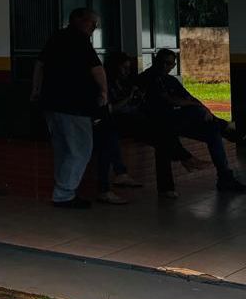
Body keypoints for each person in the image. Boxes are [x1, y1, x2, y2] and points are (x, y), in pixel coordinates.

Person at [138, 48, 246, 196]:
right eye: (164, 63)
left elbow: (189, 98)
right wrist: (196, 107)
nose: (166, 67)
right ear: (157, 62)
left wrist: (204, 109)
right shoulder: (149, 78)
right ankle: (227, 128)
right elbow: (169, 99)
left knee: (212, 132)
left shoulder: (171, 80)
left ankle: (225, 177)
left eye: (170, 64)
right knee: (196, 112)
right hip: (161, 121)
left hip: (177, 121)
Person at [31, 9, 108, 209]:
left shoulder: (56, 38)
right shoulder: (80, 41)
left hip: (51, 104)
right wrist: (104, 93)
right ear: (79, 20)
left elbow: (39, 65)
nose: (94, 28)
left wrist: (36, 91)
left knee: (63, 149)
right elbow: (97, 70)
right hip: (75, 106)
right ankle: (64, 194)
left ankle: (63, 190)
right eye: (92, 23)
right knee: (81, 150)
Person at [92, 52, 142, 205]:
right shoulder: (107, 84)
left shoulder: (125, 82)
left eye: (129, 68)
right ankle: (115, 178)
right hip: (107, 121)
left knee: (110, 136)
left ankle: (118, 175)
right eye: (124, 68)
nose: (127, 71)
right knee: (108, 138)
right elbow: (110, 108)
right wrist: (128, 98)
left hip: (123, 120)